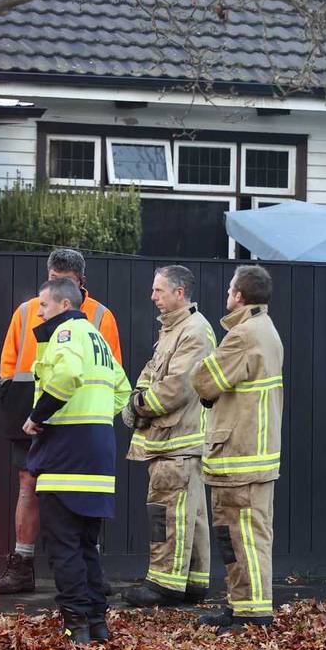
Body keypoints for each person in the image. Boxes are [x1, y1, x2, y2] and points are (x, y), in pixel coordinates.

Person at [0, 249, 121, 595]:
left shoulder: (100, 316)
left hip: (76, 419)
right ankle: (22, 564)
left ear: (80, 284)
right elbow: (9, 362)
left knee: (80, 491)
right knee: (29, 485)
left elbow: (110, 373)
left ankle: (87, 568)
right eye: (52, 279)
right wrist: (19, 403)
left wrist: (92, 415)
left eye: (64, 281)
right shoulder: (26, 311)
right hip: (30, 410)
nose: (54, 287)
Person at [24, 277, 131, 642]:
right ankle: (97, 624)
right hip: (98, 452)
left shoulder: (67, 334)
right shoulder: (98, 339)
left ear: (64, 306)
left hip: (65, 453)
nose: (39, 313)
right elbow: (124, 391)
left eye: (44, 306)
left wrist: (38, 416)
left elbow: (67, 375)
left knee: (63, 545)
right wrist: (98, 416)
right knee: (86, 545)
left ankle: (77, 627)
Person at [190, 265, 284, 631]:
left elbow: (204, 381)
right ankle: (242, 605)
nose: (227, 295)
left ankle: (253, 613)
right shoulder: (267, 330)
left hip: (240, 454)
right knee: (243, 534)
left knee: (243, 535)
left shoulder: (243, 335)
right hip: (253, 454)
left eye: (230, 289)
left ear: (239, 296)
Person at [119, 265, 216, 607]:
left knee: (167, 513)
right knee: (191, 515)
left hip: (177, 441)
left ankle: (163, 584)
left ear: (179, 293)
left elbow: (175, 389)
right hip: (173, 441)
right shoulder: (173, 330)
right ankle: (192, 581)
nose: (152, 297)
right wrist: (139, 395)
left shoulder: (194, 332)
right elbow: (150, 372)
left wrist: (137, 405)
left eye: (159, 290)